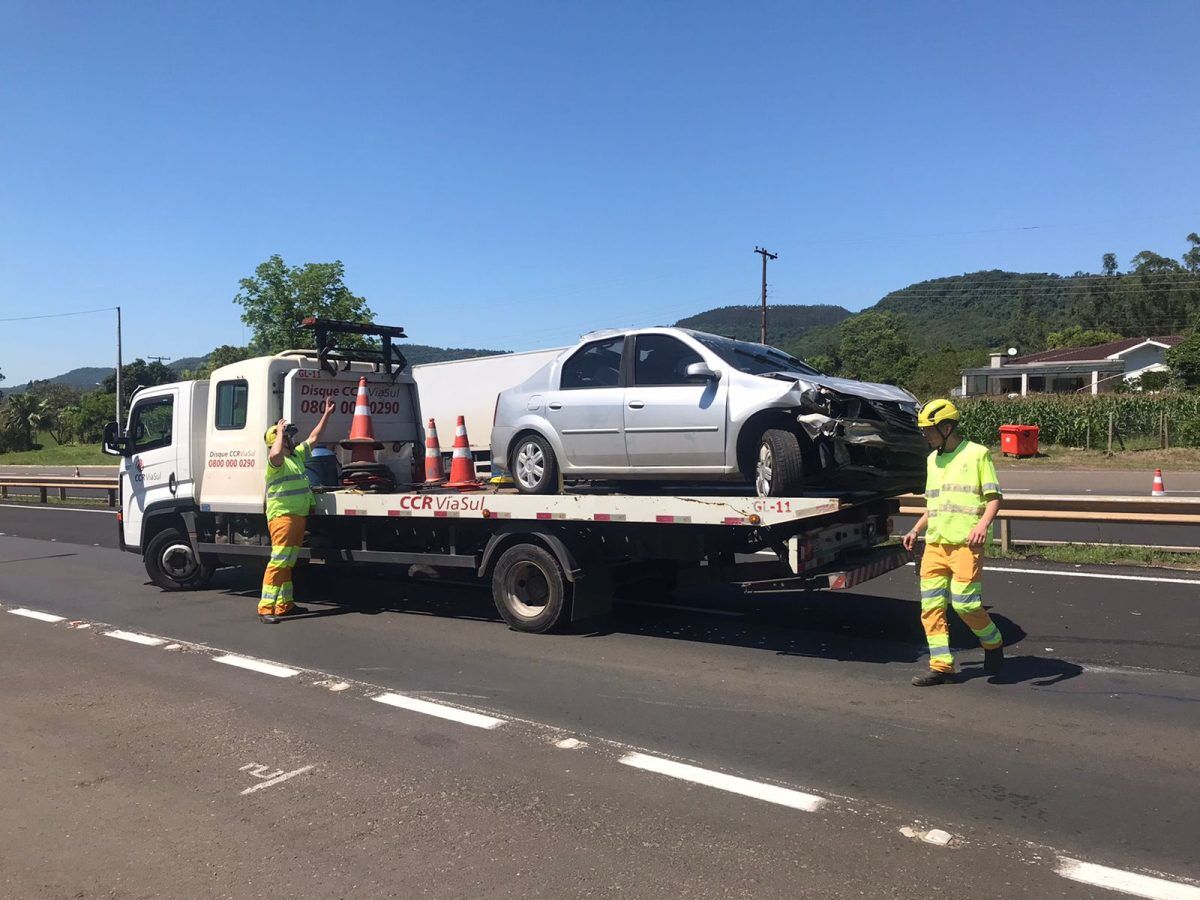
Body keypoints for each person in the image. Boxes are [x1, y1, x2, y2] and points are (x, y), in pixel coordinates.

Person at [902, 399, 1004, 686]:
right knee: (931, 608)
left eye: (928, 430)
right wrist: (916, 528)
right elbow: (934, 504)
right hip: (935, 543)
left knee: (965, 604)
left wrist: (982, 526)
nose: (925, 435)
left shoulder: (977, 454)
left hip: (965, 544)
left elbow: (994, 498)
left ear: (947, 427)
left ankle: (994, 642)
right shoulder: (932, 460)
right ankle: (941, 666)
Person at [259, 398, 336, 624]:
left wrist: (326, 415)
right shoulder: (277, 462)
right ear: (279, 440)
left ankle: (285, 605)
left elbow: (313, 438)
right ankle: (266, 607)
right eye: (287, 436)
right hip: (282, 517)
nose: (292, 439)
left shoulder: (295, 457)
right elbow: (274, 454)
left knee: (288, 561)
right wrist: (279, 432)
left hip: (296, 517)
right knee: (279, 561)